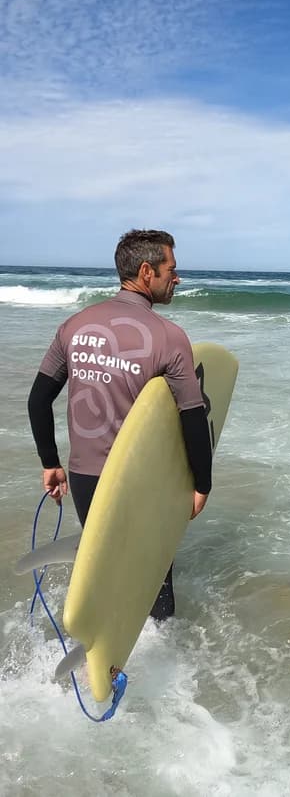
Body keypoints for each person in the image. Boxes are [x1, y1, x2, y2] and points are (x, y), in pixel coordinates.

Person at [27, 229, 213, 621]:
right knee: (154, 576)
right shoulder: (169, 337)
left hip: (84, 477)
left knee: (106, 564)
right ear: (147, 272)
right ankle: (160, 656)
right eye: (171, 269)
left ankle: (100, 651)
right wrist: (202, 484)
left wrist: (50, 462)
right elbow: (193, 415)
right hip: (139, 480)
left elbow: (38, 400)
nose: (177, 278)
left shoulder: (74, 325)